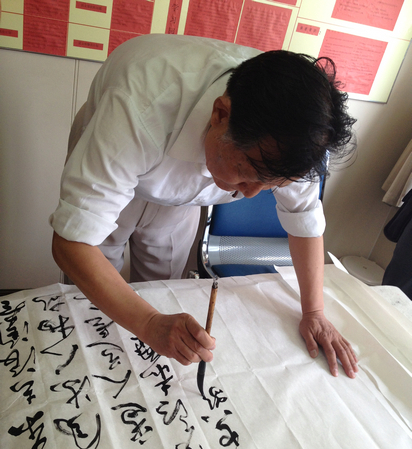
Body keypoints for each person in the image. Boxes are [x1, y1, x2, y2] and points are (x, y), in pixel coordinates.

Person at [50, 34, 358, 378]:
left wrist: (314, 312)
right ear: (219, 114)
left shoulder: (298, 140)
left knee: (161, 290)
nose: (251, 195)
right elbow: (72, 245)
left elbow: (304, 221)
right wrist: (148, 323)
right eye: (246, 174)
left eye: (270, 186)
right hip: (116, 165)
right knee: (91, 299)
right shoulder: (140, 103)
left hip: (183, 198)